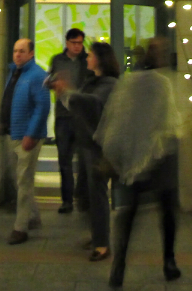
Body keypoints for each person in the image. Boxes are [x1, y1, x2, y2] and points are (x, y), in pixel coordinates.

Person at [95, 37, 182, 287]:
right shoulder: (163, 83)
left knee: (129, 214)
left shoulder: (129, 83)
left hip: (136, 157)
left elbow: (118, 118)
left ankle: (119, 265)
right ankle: (168, 261)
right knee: (167, 212)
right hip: (161, 156)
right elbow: (169, 121)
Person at [51, 40, 119, 262]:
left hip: (98, 147)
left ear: (100, 59)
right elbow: (78, 102)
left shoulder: (109, 84)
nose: (87, 58)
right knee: (87, 194)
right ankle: (98, 234)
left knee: (97, 194)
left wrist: (67, 92)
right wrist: (64, 93)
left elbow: (92, 103)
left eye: (90, 54)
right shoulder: (92, 81)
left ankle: (102, 244)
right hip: (86, 144)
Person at [0, 38, 51, 244]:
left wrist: (32, 134)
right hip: (12, 133)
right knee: (19, 180)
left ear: (31, 53)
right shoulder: (14, 73)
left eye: (22, 51)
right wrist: (0, 121)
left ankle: (20, 228)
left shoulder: (37, 76)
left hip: (27, 137)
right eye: (15, 51)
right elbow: (8, 100)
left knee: (23, 181)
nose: (17, 54)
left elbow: (42, 107)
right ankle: (32, 217)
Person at [49, 27, 93, 214]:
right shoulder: (57, 60)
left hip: (82, 115)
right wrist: (56, 84)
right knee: (64, 159)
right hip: (63, 115)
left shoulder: (87, 61)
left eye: (80, 43)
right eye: (74, 43)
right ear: (67, 43)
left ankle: (83, 198)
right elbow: (49, 80)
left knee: (85, 159)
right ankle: (67, 200)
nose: (77, 47)